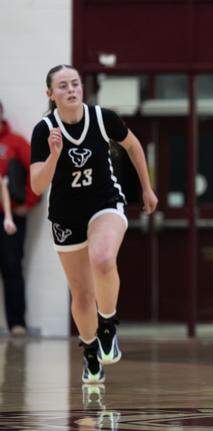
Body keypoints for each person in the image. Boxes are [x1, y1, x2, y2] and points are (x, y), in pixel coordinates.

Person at [30, 64, 158, 383]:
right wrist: (55, 156)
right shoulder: (44, 130)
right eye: (63, 86)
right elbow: (35, 185)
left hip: (105, 203)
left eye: (75, 83)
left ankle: (108, 326)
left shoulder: (103, 118)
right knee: (82, 293)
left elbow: (133, 145)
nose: (71, 89)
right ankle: (90, 352)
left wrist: (146, 188)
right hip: (66, 215)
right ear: (51, 94)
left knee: (102, 259)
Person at [0, 100, 40, 336]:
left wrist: (28, 203)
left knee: (12, 267)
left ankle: (17, 324)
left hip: (11, 217)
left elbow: (37, 175)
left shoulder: (16, 143)